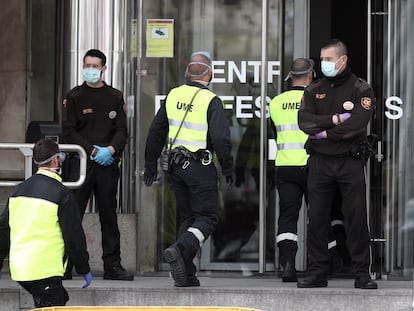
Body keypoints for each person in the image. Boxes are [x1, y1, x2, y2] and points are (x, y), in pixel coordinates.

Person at [143, 51, 234, 287]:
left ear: (187, 72)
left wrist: (150, 163)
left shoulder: (173, 95)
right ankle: (181, 248)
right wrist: (227, 167)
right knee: (208, 218)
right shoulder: (211, 101)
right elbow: (221, 138)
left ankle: (186, 274)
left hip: (176, 167)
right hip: (200, 167)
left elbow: (156, 131)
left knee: (188, 217)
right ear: (210, 73)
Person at [297, 38, 377, 289]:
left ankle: (362, 274)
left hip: (349, 162)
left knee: (355, 218)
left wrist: (324, 133)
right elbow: (304, 123)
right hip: (320, 162)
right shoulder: (313, 90)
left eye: (329, 59)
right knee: (317, 219)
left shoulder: (361, 89)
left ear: (343, 60)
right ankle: (318, 272)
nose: (324, 64)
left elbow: (356, 125)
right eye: (322, 59)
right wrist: (333, 119)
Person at [62, 49, 133, 281]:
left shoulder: (114, 96)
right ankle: (65, 264)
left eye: (95, 66)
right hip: (81, 163)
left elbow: (122, 130)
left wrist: (111, 149)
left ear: (104, 69)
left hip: (107, 163)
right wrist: (92, 150)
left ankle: (112, 266)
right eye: (87, 65)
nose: (90, 70)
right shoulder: (74, 96)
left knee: (109, 216)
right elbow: (68, 131)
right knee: (72, 215)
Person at [0, 138, 92, 308]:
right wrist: (83, 268)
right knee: (52, 302)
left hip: (20, 270)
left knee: (58, 298)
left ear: (35, 161)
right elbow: (74, 238)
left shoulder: (17, 191)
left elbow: (4, 230)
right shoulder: (62, 194)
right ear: (56, 160)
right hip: (45, 270)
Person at [268, 58, 314, 282]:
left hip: (285, 166)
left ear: (290, 76)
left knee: (287, 217)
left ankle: (288, 264)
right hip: (313, 166)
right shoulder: (314, 99)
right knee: (318, 215)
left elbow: (275, 134)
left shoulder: (275, 102)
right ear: (310, 75)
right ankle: (321, 265)